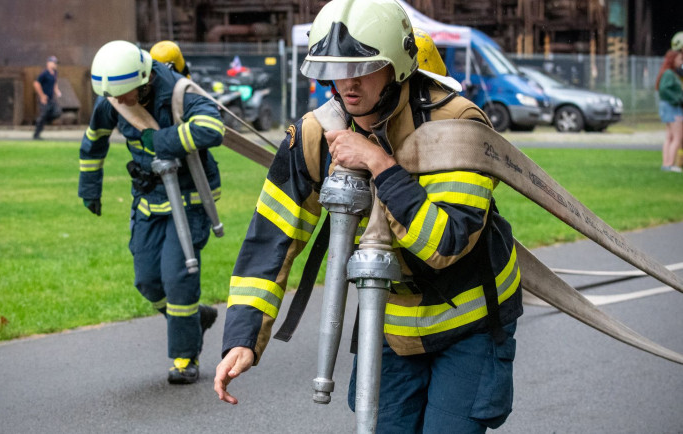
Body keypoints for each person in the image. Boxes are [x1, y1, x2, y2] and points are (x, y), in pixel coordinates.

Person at [214, 0, 523, 432]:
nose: (347, 84)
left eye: (362, 68)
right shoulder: (314, 134)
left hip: (469, 322)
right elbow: (271, 239)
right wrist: (243, 338)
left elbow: (446, 244)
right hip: (391, 321)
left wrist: (380, 165)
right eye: (336, 69)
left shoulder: (458, 126)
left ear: (397, 65)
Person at [79, 40, 224, 384]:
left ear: (144, 79)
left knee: (178, 279)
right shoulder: (115, 93)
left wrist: (157, 142)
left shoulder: (177, 90)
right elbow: (94, 138)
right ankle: (195, 319)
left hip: (187, 200)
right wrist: (89, 187)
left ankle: (184, 358)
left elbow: (212, 128)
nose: (120, 103)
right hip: (148, 199)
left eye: (127, 95)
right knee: (146, 280)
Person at [655, 50, 683, 172]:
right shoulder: (669, 74)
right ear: (673, 60)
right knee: (677, 137)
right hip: (672, 107)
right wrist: (678, 99)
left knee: (670, 137)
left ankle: (666, 164)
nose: (681, 62)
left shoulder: (668, 73)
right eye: (680, 59)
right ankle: (670, 164)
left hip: (668, 106)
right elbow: (664, 89)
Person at [33, 55, 62, 140]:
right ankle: (36, 135)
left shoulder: (55, 73)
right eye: (54, 63)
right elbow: (36, 83)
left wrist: (57, 91)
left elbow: (55, 82)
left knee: (57, 112)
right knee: (43, 116)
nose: (55, 64)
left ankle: (45, 121)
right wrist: (42, 96)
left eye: (56, 63)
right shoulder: (44, 73)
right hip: (44, 99)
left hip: (51, 98)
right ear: (48, 63)